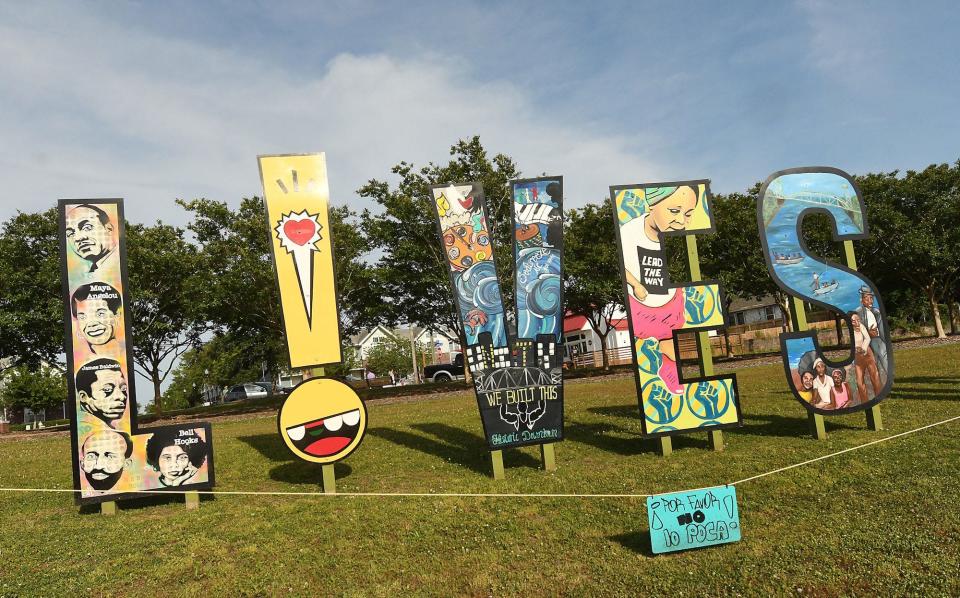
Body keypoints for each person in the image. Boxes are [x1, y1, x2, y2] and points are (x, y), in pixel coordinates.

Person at [621, 185, 699, 392]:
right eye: (674, 211)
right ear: (651, 205)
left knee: (670, 342)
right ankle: (657, 375)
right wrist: (636, 285)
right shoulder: (629, 231)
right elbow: (621, 266)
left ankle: (670, 372)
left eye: (688, 214)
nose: (681, 220)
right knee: (651, 338)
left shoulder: (676, 237)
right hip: (642, 302)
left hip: (669, 299)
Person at [64, 204, 118, 274]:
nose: (78, 238)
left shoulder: (119, 266)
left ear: (109, 229)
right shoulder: (88, 274)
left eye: (87, 227)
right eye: (70, 234)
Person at [71, 282, 122, 354]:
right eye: (82, 317)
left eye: (100, 314)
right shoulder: (80, 358)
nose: (92, 323)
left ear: (117, 314)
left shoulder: (124, 355)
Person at [76, 358, 128, 426]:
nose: (121, 397)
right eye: (107, 389)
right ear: (84, 397)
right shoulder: (95, 433)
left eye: (124, 389)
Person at [854, 286, 888, 381]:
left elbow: (881, 326)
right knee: (876, 359)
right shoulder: (858, 312)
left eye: (871, 298)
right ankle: (881, 378)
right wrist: (868, 333)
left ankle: (886, 376)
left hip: (877, 338)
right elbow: (856, 328)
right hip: (867, 340)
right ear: (862, 300)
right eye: (867, 298)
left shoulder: (876, 312)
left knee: (881, 355)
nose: (870, 301)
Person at [851, 312, 883, 400]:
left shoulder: (861, 326)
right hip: (857, 356)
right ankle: (864, 401)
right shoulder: (849, 331)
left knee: (874, 375)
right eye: (854, 321)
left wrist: (863, 348)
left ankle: (879, 396)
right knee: (859, 381)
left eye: (858, 320)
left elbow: (867, 338)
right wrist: (856, 349)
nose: (857, 322)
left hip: (867, 353)